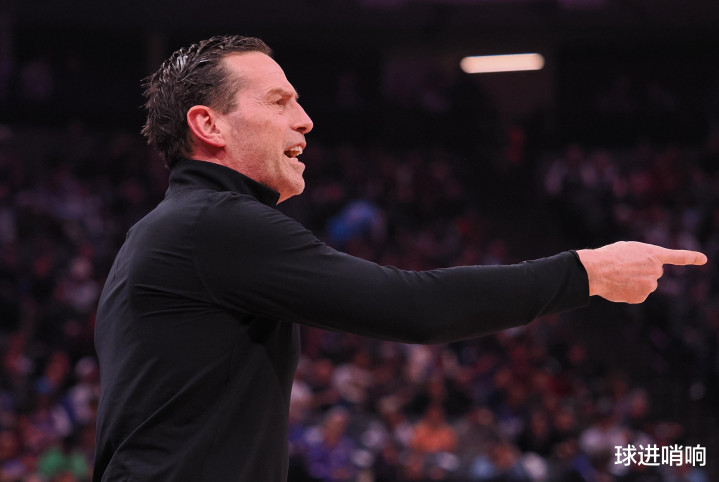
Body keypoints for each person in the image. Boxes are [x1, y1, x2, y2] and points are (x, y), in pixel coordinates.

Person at [92, 35, 707, 481]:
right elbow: (417, 308)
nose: (305, 120)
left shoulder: (177, 231)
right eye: (279, 102)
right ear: (209, 125)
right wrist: (586, 272)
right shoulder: (214, 224)